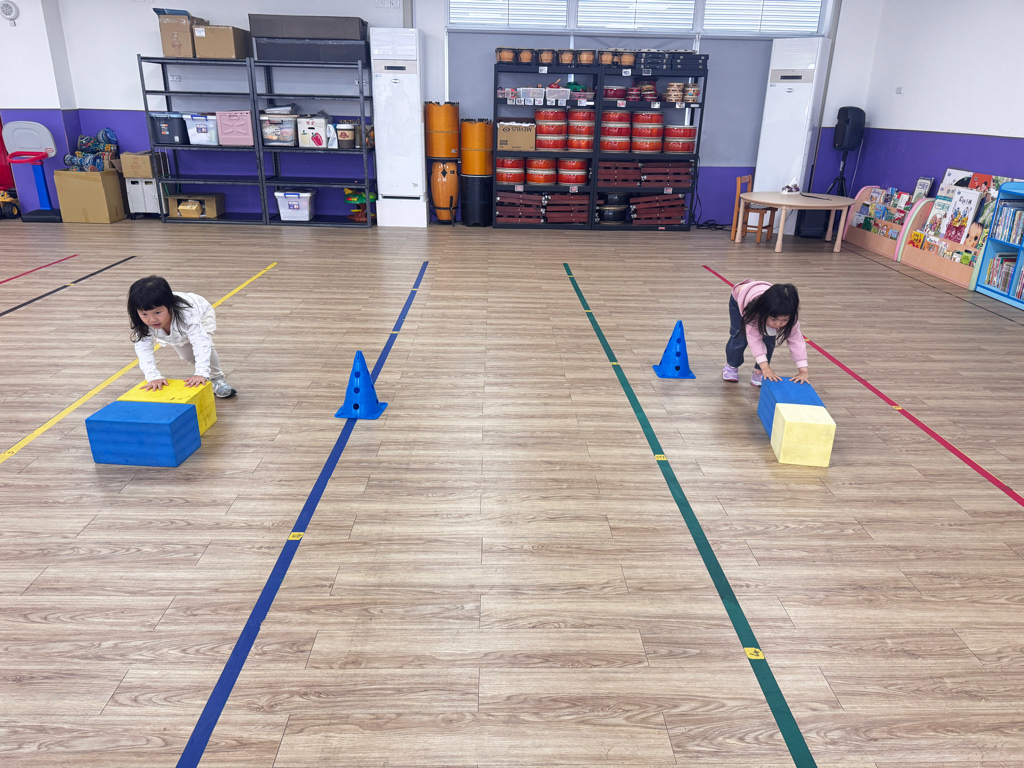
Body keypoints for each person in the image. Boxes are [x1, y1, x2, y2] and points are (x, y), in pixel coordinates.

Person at [127, 276, 236, 398]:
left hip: (201, 313)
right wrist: (153, 377)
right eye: (144, 314)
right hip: (176, 326)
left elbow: (201, 343)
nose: (152, 319)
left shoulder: (187, 314)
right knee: (188, 356)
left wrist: (201, 373)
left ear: (170, 306)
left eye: (158, 312)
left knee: (206, 347)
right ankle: (203, 371)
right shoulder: (142, 323)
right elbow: (144, 350)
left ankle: (217, 378)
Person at [722, 280, 809, 386]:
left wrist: (803, 370)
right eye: (774, 319)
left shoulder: (791, 317)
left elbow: (796, 341)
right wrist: (766, 367)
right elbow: (754, 339)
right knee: (740, 337)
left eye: (784, 320)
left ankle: (759, 372)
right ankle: (731, 365)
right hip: (740, 298)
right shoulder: (754, 313)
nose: (778, 324)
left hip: (764, 302)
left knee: (769, 341)